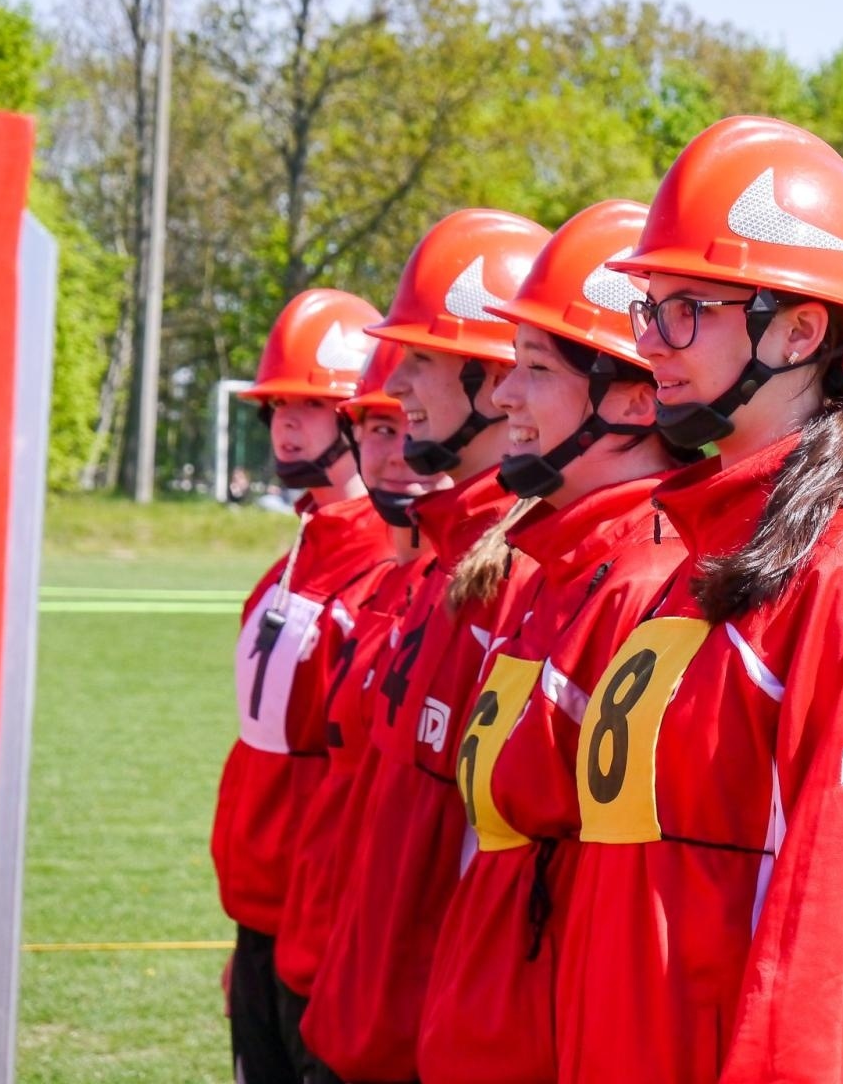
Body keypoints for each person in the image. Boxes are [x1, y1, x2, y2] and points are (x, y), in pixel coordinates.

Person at [552, 116, 843, 1082]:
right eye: (649, 306)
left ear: (800, 330)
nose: (648, 339)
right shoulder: (705, 563)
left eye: (685, 307)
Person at [416, 198, 693, 1084]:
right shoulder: (564, 567)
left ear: (634, 397)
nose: (504, 395)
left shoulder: (648, 588)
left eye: (533, 367)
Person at [301, 209, 551, 1083]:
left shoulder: (523, 572)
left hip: (425, 1047)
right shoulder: (450, 555)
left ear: (492, 383)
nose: (395, 383)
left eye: (418, 360)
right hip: (368, 1026)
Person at [212, 288, 393, 1084]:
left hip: (320, 941)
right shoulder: (289, 562)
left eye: (310, 405)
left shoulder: (384, 568)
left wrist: (313, 947)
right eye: (278, 405)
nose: (286, 423)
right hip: (263, 925)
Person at [271, 337, 439, 1073]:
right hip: (325, 965)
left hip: (397, 1006)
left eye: (405, 423)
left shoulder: (474, 596)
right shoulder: (379, 591)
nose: (394, 449)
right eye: (374, 428)